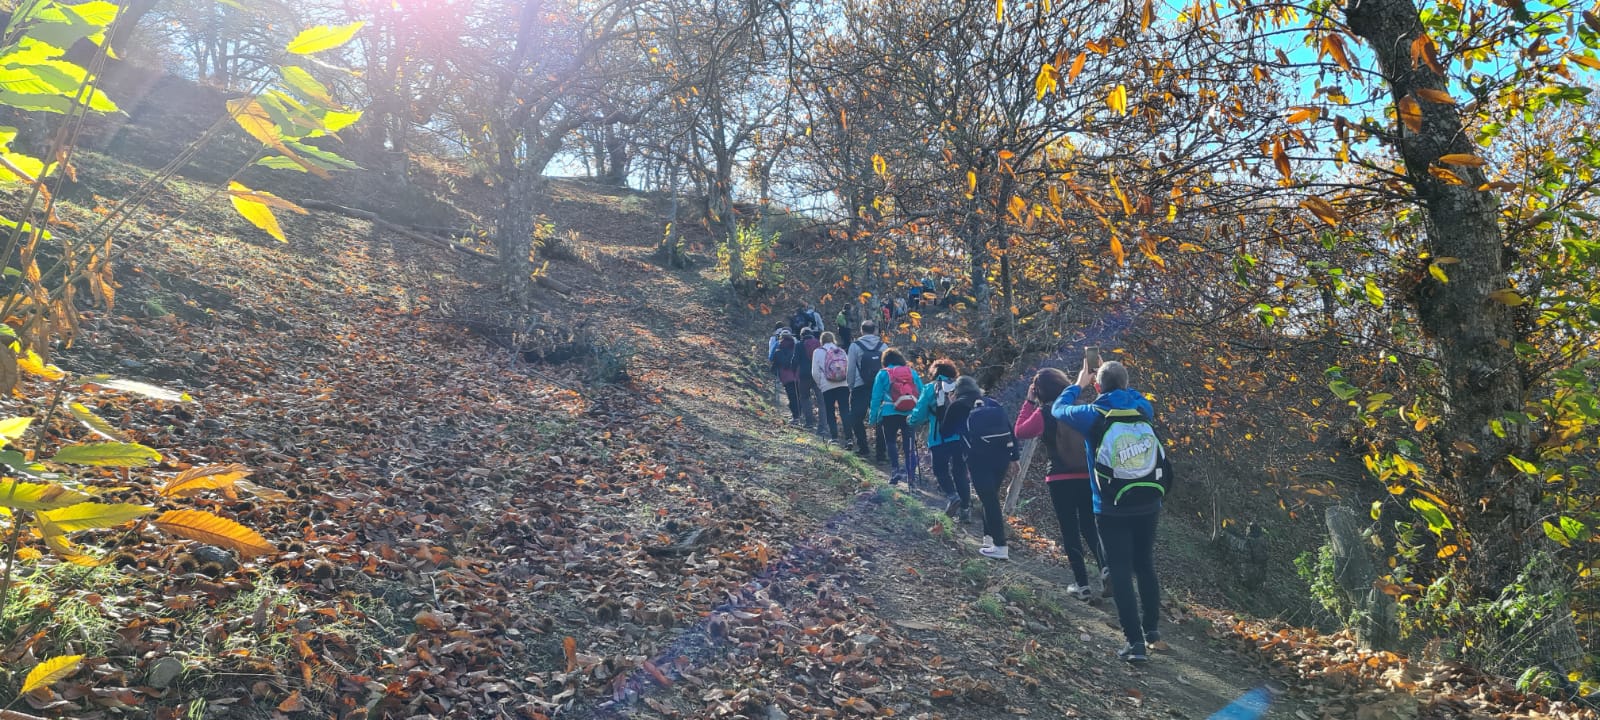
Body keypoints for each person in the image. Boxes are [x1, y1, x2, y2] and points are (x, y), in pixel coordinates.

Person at [1051, 359, 1168, 664]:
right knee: (1144, 564)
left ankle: (1135, 643)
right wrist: (1117, 382)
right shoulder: (1142, 408)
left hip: (1110, 506)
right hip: (1149, 501)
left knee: (1119, 570)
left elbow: (1058, 409)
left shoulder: (1093, 414)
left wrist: (1080, 382)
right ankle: (1152, 629)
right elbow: (1134, 395)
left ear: (1099, 386)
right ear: (1127, 385)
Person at [1016, 367, 1106, 600]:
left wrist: (1029, 402)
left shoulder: (1045, 413)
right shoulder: (1079, 409)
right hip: (1087, 475)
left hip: (1059, 478)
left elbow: (1020, 431)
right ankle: (1105, 568)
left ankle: (1082, 585)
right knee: (1089, 526)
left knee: (1069, 530)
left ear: (1040, 391)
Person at [946, 376, 1020, 559]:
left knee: (989, 500)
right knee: (991, 497)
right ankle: (989, 540)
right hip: (1002, 456)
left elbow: (945, 431)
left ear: (958, 390)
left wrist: (950, 404)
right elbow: (1009, 430)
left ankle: (1001, 547)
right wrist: (1015, 457)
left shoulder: (958, 405)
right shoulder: (992, 403)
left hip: (978, 458)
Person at [908, 359, 972, 521]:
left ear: (934, 373)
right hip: (960, 437)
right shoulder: (960, 387)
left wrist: (911, 420)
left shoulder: (930, 388)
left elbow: (920, 412)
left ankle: (952, 496)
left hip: (939, 437)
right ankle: (965, 510)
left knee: (940, 470)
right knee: (960, 472)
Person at [868, 347, 923, 484]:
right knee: (909, 444)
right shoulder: (911, 372)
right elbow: (921, 392)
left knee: (891, 442)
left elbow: (876, 397)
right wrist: (920, 413)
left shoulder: (883, 374)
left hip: (889, 412)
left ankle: (895, 471)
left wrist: (873, 418)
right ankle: (911, 475)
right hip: (909, 412)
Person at [846, 322, 886, 461]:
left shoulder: (855, 346)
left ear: (861, 331)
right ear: (875, 330)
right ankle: (881, 454)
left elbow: (850, 367)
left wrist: (850, 385)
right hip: (880, 387)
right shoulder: (883, 346)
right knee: (881, 419)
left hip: (860, 386)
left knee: (856, 417)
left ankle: (864, 448)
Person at [812, 332, 852, 442]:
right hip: (843, 384)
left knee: (830, 411)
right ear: (833, 340)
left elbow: (815, 372)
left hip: (827, 386)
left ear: (822, 341)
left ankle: (834, 437)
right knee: (845, 410)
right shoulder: (841, 351)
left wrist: (820, 384)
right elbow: (848, 367)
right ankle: (849, 438)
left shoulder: (818, 352)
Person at [795, 329, 821, 430]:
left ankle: (809, 422)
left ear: (801, 335)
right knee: (821, 400)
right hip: (817, 375)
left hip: (804, 375)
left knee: (805, 398)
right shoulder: (818, 343)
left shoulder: (799, 345)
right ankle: (823, 425)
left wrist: (794, 368)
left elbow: (795, 360)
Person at [773, 329, 801, 423]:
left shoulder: (778, 349)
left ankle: (795, 417)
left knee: (791, 396)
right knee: (798, 395)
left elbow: (775, 365)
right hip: (797, 375)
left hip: (786, 377)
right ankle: (800, 415)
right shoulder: (796, 347)